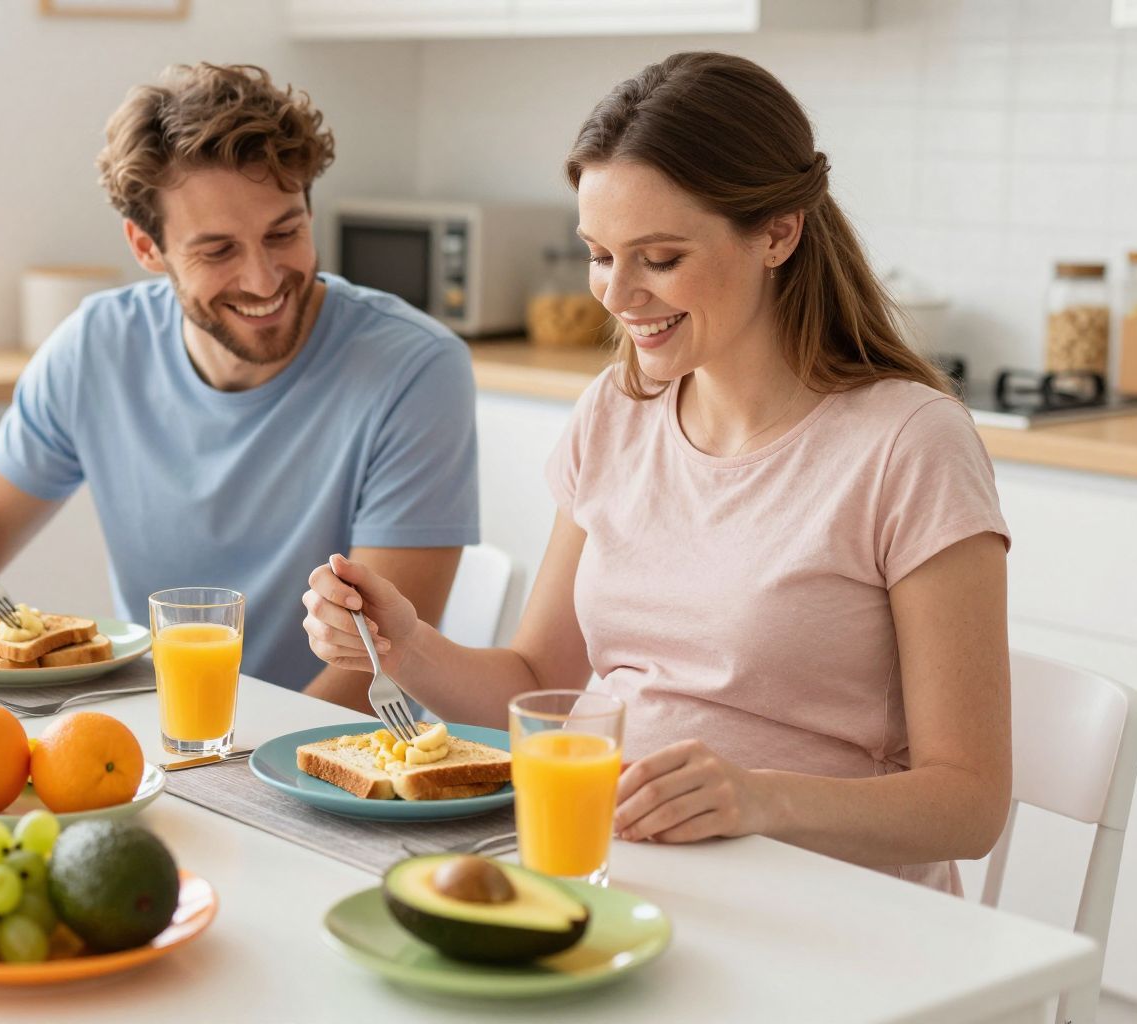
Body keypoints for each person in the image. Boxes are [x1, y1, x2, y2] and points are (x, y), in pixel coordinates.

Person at [301, 52, 1011, 893]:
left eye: (660, 258)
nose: (617, 293)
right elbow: (536, 684)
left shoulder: (909, 444)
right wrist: (407, 646)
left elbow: (969, 804)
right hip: (628, 876)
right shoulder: (618, 411)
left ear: (778, 232)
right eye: (600, 254)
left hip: (835, 909)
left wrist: (757, 801)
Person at [0, 63, 479, 705]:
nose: (265, 279)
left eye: (285, 232)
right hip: (167, 738)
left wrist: (224, 774)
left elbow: (375, 666)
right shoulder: (97, 349)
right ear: (146, 247)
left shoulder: (414, 368)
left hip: (324, 758)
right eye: (218, 251)